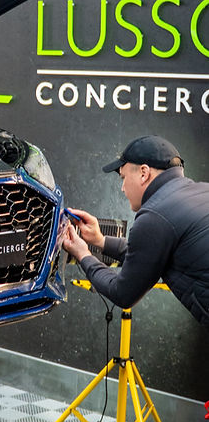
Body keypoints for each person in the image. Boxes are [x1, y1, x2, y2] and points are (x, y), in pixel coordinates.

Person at [62, 135, 209, 327]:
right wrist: (99, 240)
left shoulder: (155, 216)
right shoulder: (202, 192)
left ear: (144, 173)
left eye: (123, 178)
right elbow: (145, 257)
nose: (123, 188)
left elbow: (122, 294)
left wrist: (83, 255)